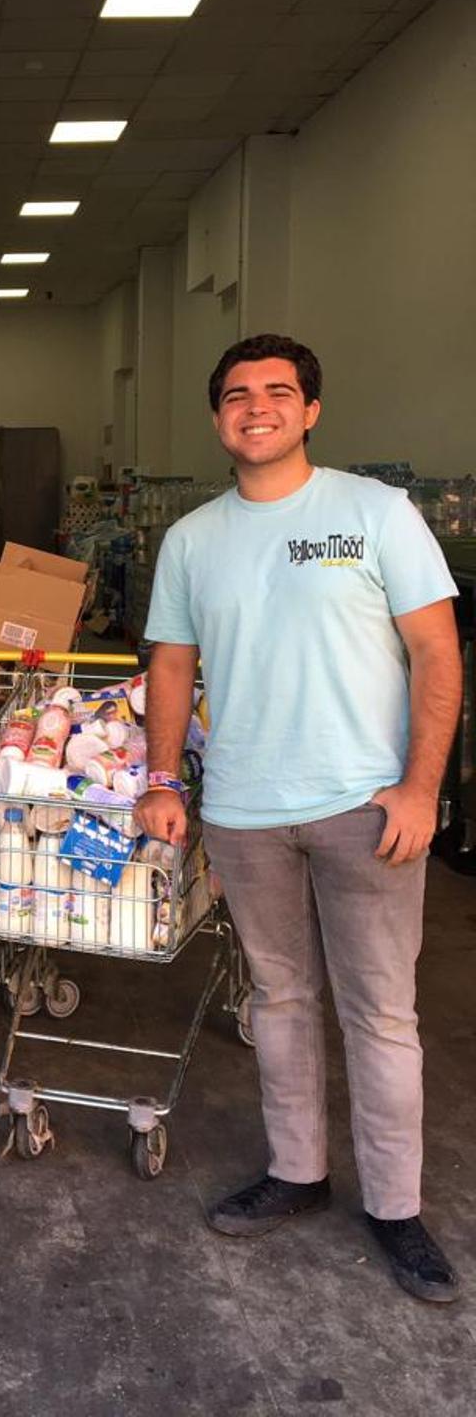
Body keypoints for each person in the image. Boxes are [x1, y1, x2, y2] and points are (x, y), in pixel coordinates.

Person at [137, 333, 462, 1304]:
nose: (257, 406)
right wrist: (164, 778)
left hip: (367, 808)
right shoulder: (191, 539)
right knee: (278, 1001)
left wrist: (420, 787)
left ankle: (397, 1208)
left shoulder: (376, 513)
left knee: (382, 1012)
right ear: (218, 418)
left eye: (279, 391)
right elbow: (171, 667)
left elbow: (438, 655)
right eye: (237, 394)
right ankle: (297, 1173)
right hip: (243, 809)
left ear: (310, 411)